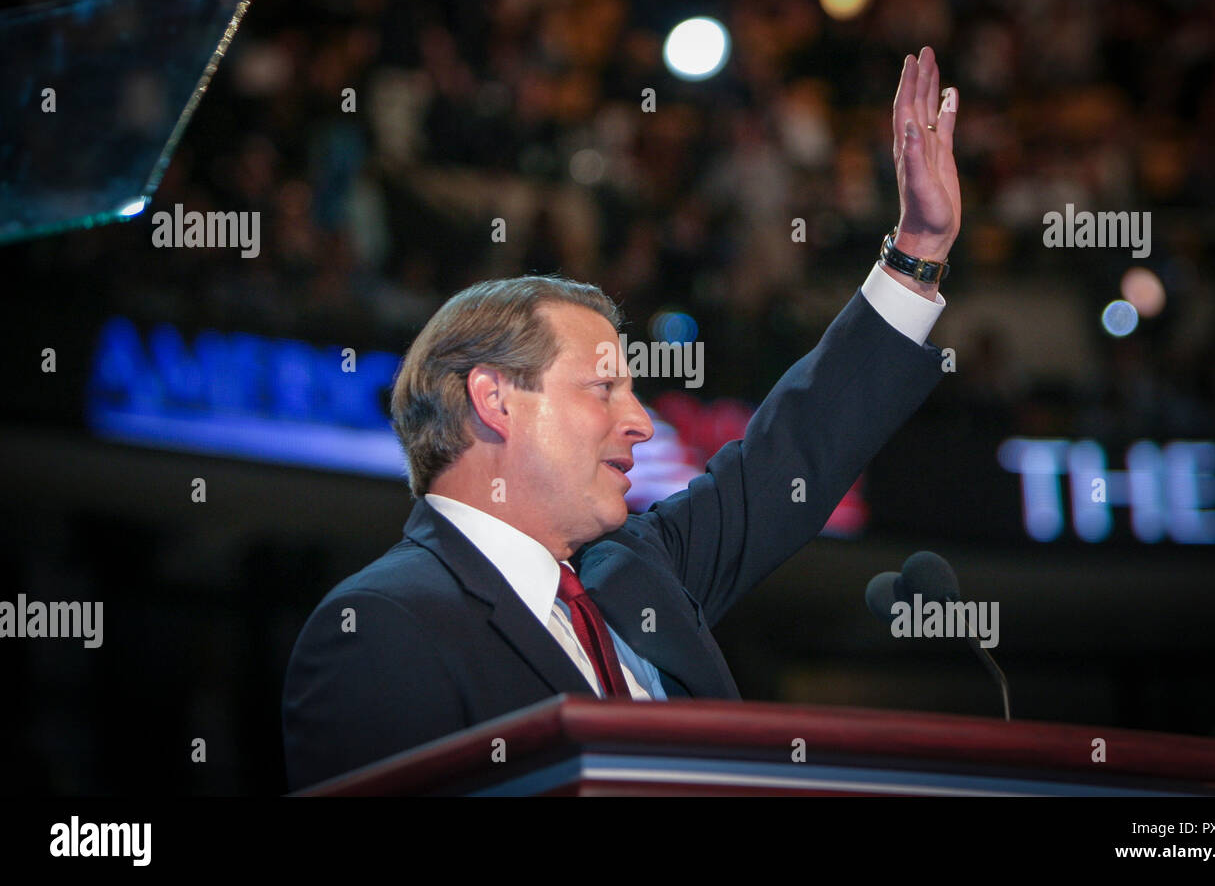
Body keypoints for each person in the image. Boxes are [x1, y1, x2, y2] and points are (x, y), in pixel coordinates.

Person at [282, 47, 961, 790]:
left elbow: (791, 454)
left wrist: (918, 251)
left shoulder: (639, 571)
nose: (640, 423)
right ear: (494, 399)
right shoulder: (380, 628)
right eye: (603, 389)